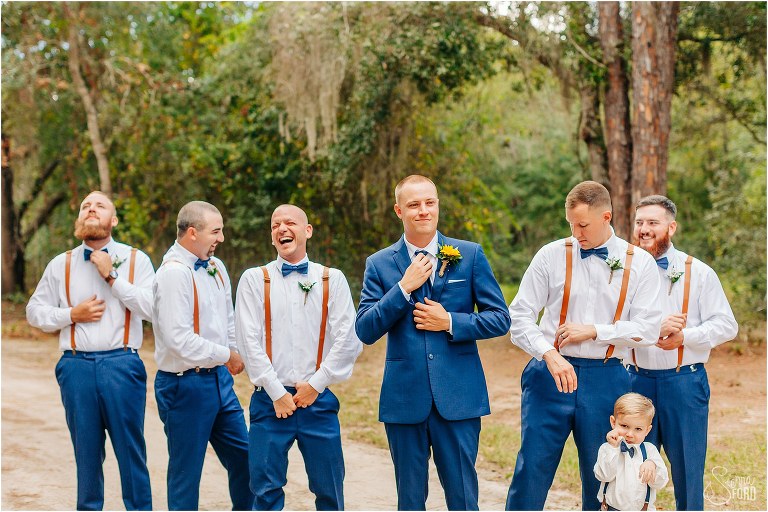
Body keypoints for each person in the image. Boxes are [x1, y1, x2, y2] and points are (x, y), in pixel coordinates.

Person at [355, 175, 511, 511]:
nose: (423, 210)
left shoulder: (468, 255)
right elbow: (365, 330)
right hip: (404, 399)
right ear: (399, 210)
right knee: (410, 500)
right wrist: (403, 288)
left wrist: (451, 321)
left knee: (464, 498)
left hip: (459, 398)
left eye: (430, 202)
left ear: (437, 205)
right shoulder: (380, 264)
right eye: (414, 204)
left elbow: (500, 318)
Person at [505, 181, 663, 511]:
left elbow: (648, 330)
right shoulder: (550, 255)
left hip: (606, 378)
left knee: (604, 475)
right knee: (531, 468)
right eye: (571, 224)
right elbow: (518, 316)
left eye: (583, 225)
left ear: (606, 216)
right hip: (549, 374)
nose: (576, 233)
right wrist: (548, 353)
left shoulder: (641, 264)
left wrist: (594, 331)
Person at [26, 191, 154, 511]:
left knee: (130, 451)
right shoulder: (61, 264)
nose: (91, 209)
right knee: (85, 453)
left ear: (114, 220)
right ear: (79, 219)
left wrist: (111, 276)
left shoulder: (137, 260)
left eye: (99, 206)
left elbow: (152, 309)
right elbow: (34, 311)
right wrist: (71, 315)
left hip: (122, 364)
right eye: (85, 206)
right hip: (75, 367)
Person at [235, 204, 363, 510]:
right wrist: (277, 392)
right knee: (264, 491)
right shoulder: (254, 279)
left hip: (317, 401)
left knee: (330, 490)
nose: (281, 228)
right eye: (275, 224)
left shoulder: (332, 278)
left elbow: (350, 338)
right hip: (269, 403)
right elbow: (248, 340)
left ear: (307, 231)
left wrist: (316, 384)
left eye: (289, 222)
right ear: (272, 237)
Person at [629, 194, 738, 510]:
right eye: (639, 223)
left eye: (653, 222)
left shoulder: (699, 272)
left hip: (684, 384)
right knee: (632, 469)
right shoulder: (624, 270)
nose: (645, 229)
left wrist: (685, 337)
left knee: (689, 471)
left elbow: (726, 326)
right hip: (635, 383)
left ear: (671, 227)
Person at [152, 200, 254, 511]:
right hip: (183, 386)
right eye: (216, 231)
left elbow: (228, 318)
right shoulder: (172, 274)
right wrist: (226, 355)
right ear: (193, 233)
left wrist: (234, 351)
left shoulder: (217, 266)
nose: (221, 238)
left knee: (247, 460)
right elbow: (178, 339)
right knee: (186, 474)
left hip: (219, 382)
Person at [594, 393, 669, 511]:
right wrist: (613, 449)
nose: (630, 434)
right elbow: (604, 475)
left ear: (647, 430)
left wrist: (653, 465)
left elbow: (660, 483)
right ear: (613, 422)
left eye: (638, 429)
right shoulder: (607, 448)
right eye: (624, 426)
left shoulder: (650, 451)